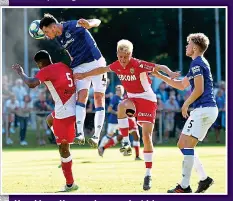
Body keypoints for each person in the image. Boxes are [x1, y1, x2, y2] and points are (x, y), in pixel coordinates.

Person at [73, 39, 180, 191]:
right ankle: (125, 142)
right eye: (120, 56)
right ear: (117, 54)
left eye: (126, 57)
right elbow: (100, 70)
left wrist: (169, 73)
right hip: (132, 99)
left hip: (147, 100)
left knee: (146, 137)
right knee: (122, 106)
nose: (123, 60)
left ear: (130, 55)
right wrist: (84, 75)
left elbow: (158, 66)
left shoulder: (138, 64)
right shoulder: (116, 65)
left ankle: (148, 173)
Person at [153, 33, 218, 193]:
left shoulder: (196, 63)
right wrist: (159, 75)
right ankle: (203, 179)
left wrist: (185, 105)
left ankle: (184, 185)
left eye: (188, 44)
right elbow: (181, 85)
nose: (186, 46)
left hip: (203, 110)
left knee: (184, 144)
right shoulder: (198, 63)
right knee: (184, 145)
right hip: (207, 110)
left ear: (195, 47)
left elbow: (199, 89)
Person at [12, 50, 78, 192]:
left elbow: (31, 83)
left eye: (38, 65)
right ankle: (63, 146)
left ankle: (70, 184)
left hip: (64, 112)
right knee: (49, 119)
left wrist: (21, 73)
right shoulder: (62, 65)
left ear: (40, 63)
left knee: (64, 149)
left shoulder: (46, 70)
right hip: (72, 106)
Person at [39, 13, 107, 148]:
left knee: (99, 97)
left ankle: (96, 136)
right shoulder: (58, 38)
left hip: (96, 61)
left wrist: (89, 24)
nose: (46, 35)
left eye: (46, 32)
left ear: (53, 27)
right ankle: (80, 134)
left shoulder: (72, 25)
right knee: (81, 97)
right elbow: (70, 52)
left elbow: (97, 21)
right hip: (79, 67)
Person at [98, 85, 142, 160]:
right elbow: (111, 109)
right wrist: (119, 113)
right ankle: (102, 147)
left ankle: (104, 148)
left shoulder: (124, 97)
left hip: (125, 120)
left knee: (123, 137)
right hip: (119, 120)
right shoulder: (117, 98)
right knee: (115, 136)